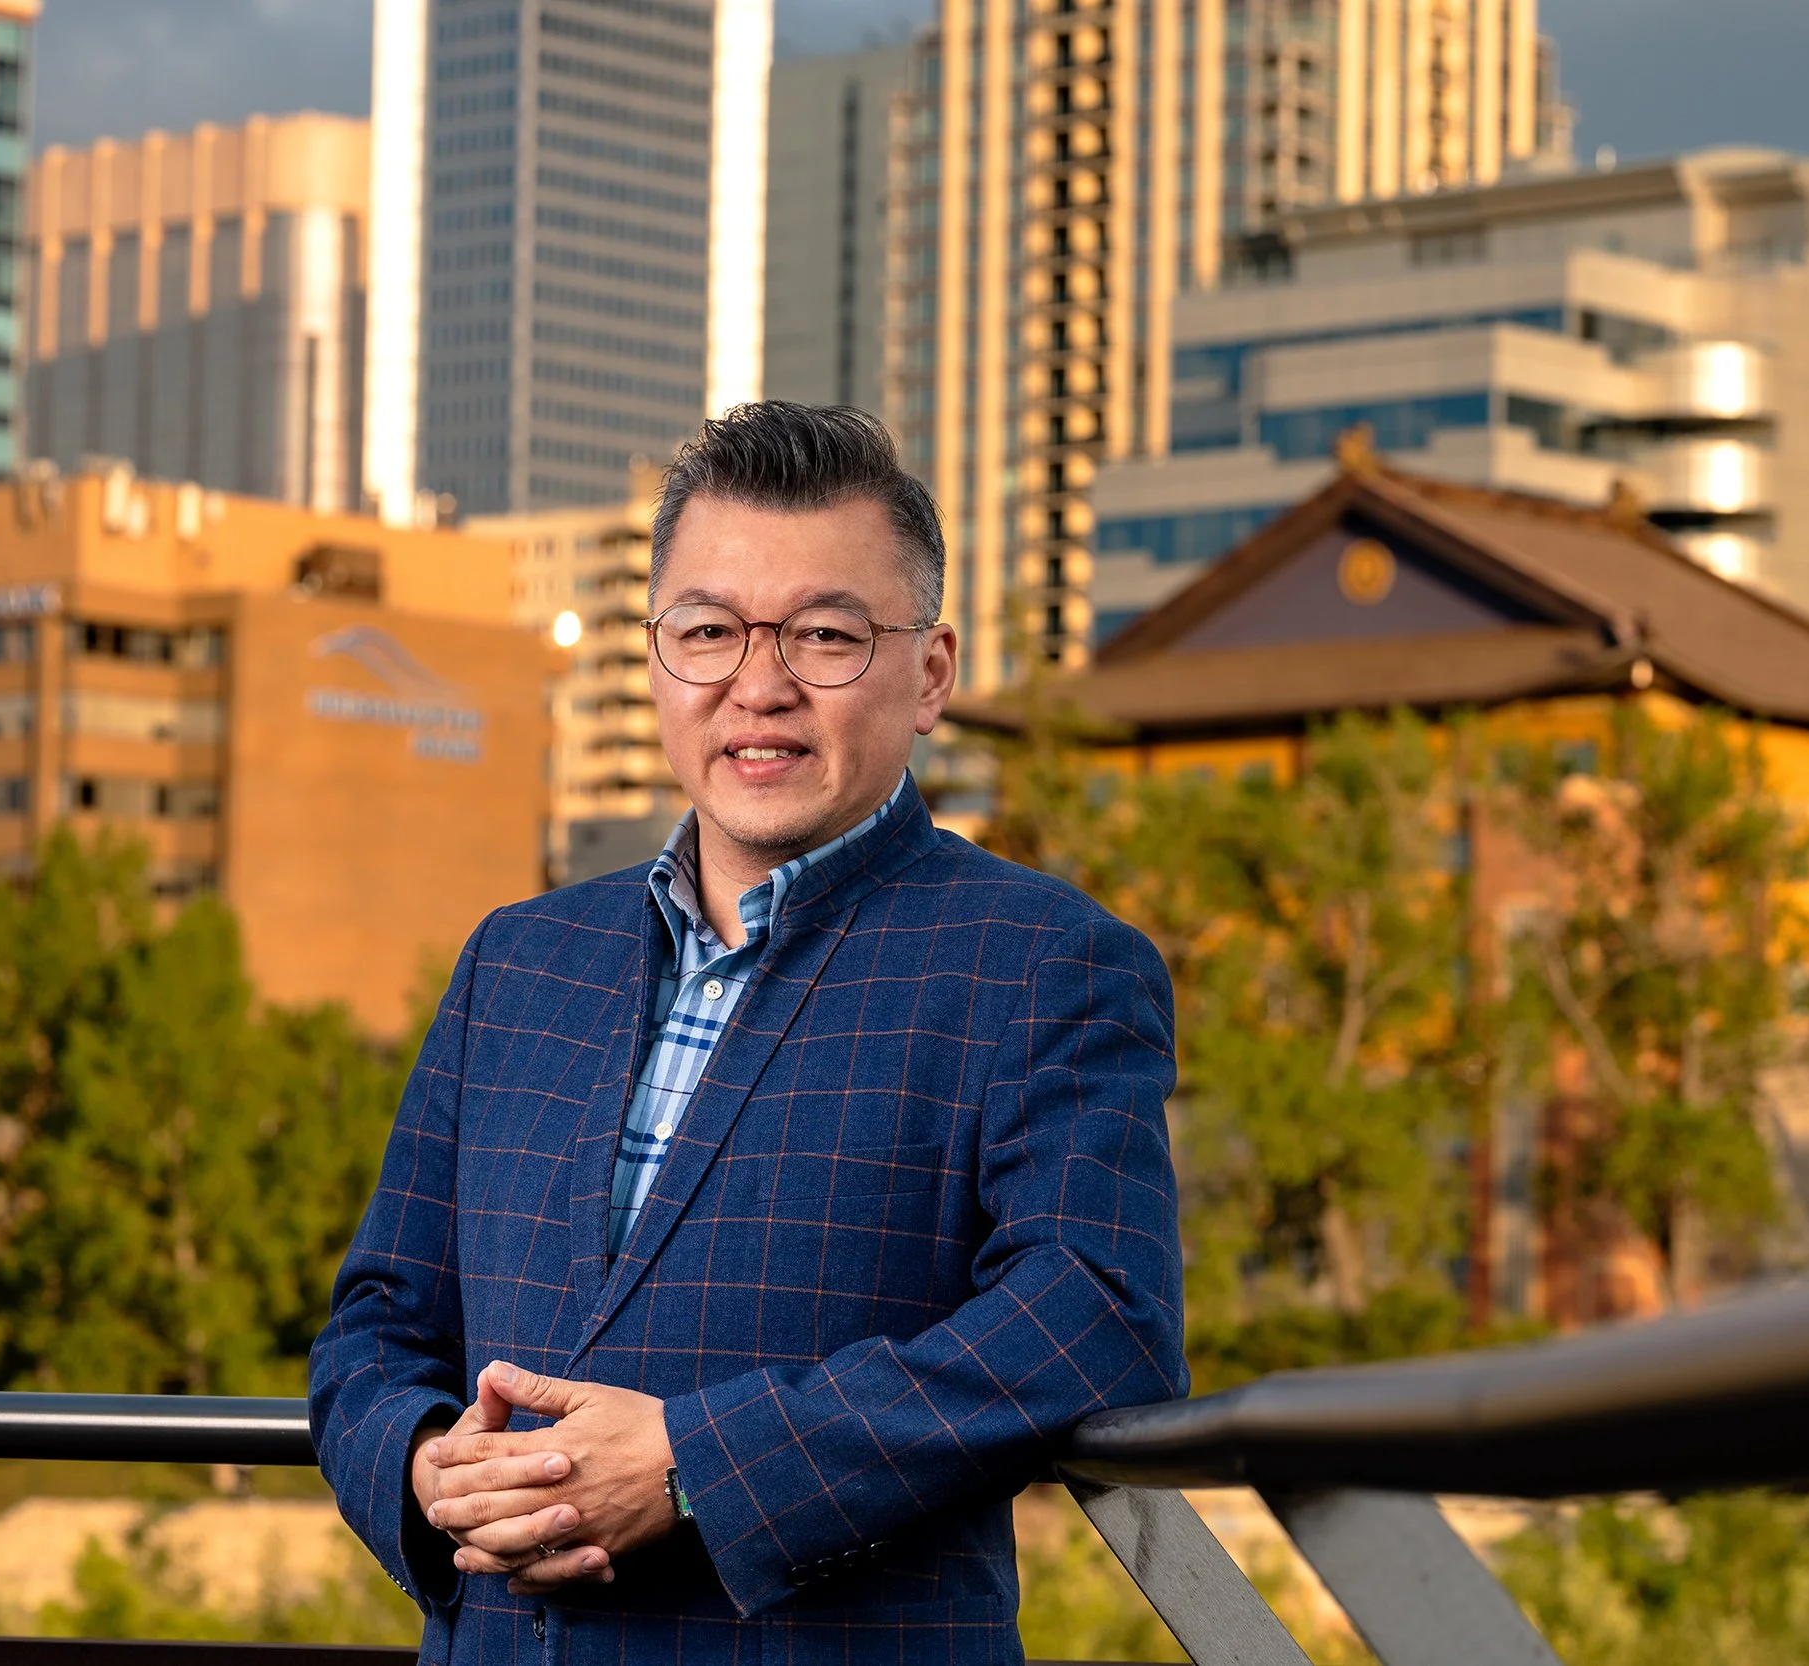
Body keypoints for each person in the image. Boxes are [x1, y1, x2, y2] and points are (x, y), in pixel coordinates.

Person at [309, 402, 1187, 1664]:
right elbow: (378, 1320)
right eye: (708, 631)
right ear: (657, 656)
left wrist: (693, 1466)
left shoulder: (1041, 961)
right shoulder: (518, 962)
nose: (757, 685)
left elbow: (1098, 1317)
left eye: (826, 634)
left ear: (930, 672)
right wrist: (419, 1464)